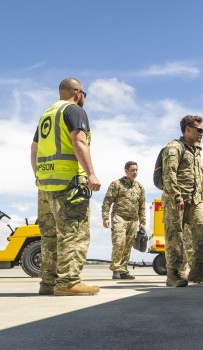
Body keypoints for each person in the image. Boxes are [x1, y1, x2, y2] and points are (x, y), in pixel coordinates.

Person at [30, 77, 101, 296]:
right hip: (69, 183)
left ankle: (48, 282)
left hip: (45, 186)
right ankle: (68, 282)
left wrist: (40, 178)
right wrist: (91, 174)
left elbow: (33, 150)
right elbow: (79, 141)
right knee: (74, 232)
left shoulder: (47, 115)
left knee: (50, 236)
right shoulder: (74, 110)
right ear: (78, 93)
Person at [161, 115, 203, 287]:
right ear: (187, 129)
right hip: (176, 199)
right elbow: (169, 174)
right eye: (199, 130)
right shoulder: (174, 147)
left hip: (195, 200)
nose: (202, 133)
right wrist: (176, 195)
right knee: (175, 236)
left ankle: (196, 270)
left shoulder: (196, 151)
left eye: (202, 130)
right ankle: (173, 274)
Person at [101, 161, 146, 280]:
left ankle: (123, 270)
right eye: (132, 170)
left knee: (128, 245)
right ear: (126, 171)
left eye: (136, 170)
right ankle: (116, 269)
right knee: (119, 242)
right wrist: (105, 217)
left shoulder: (140, 187)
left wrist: (143, 222)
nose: (135, 172)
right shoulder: (117, 184)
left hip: (133, 220)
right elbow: (107, 201)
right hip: (119, 217)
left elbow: (142, 205)